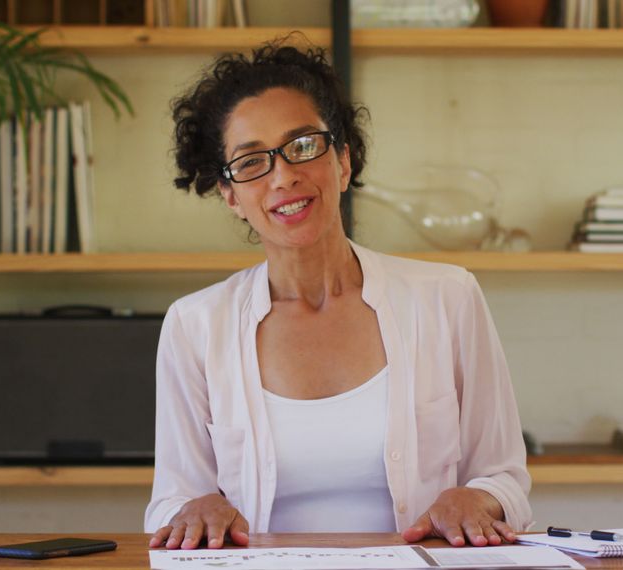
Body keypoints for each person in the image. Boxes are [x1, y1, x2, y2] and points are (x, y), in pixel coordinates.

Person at [145, 39, 532, 550]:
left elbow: (505, 477)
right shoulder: (194, 325)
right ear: (230, 194)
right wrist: (198, 506)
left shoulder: (448, 297)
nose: (283, 175)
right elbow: (171, 504)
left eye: (303, 146)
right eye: (251, 161)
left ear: (344, 162)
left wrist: (477, 498)